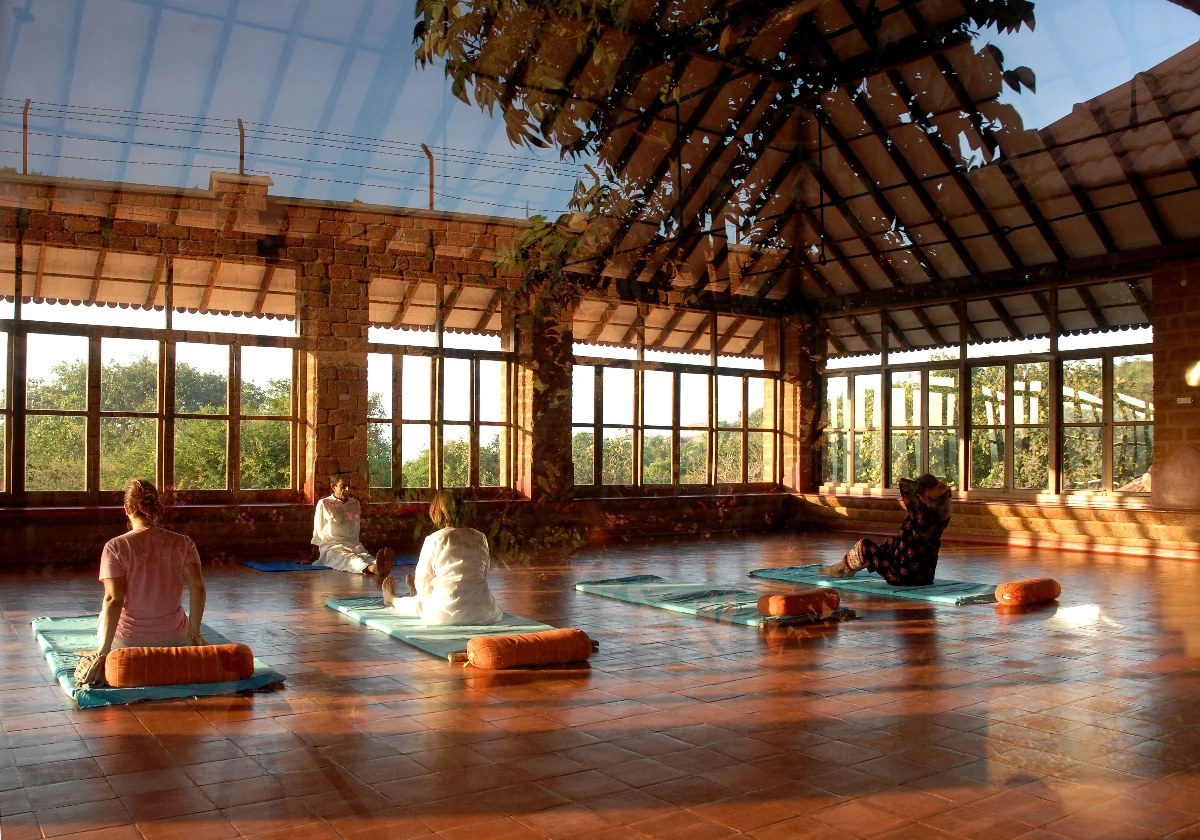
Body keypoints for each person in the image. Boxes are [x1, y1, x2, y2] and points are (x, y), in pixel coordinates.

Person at [78, 478, 208, 684]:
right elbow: (198, 588)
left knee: (103, 615)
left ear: (126, 510)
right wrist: (194, 635)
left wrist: (103, 653)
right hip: (176, 640)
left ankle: (104, 649)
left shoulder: (115, 547)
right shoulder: (183, 543)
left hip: (127, 644)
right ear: (157, 509)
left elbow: (113, 599)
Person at [381, 490, 503, 626]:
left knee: (417, 605)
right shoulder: (480, 537)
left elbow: (423, 578)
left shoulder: (435, 539)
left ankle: (391, 599)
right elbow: (483, 571)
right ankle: (413, 594)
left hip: (445, 614)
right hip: (484, 611)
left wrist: (423, 597)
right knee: (425, 598)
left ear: (436, 512)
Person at [820, 473, 952, 586]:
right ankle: (852, 568)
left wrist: (928, 491)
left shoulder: (921, 514)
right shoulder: (940, 517)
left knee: (864, 545)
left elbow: (903, 484)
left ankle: (837, 569)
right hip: (925, 578)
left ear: (925, 495)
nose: (917, 497)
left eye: (919, 494)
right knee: (891, 542)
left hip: (901, 577)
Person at [312, 473, 394, 577]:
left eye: (348, 486)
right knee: (350, 559)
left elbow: (355, 528)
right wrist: (315, 552)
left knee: (366, 557)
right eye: (343, 486)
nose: (347, 489)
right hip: (332, 546)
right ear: (333, 487)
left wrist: (356, 544)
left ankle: (380, 566)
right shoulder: (324, 503)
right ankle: (374, 568)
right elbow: (318, 530)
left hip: (354, 545)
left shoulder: (355, 504)